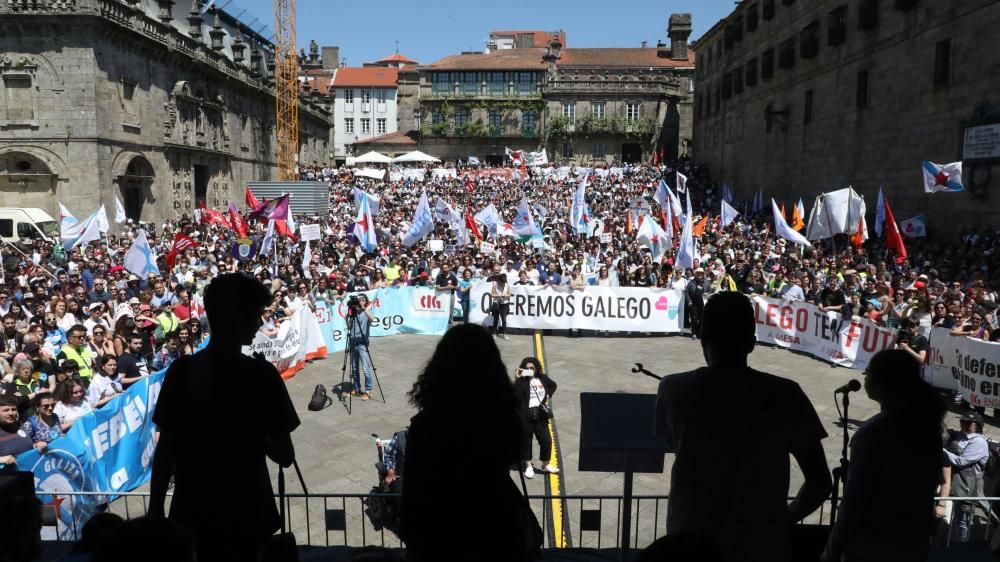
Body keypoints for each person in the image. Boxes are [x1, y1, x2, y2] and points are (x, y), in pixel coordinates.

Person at [654, 292, 832, 562]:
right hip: (762, 544)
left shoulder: (672, 389)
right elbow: (820, 482)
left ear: (703, 339)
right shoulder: (786, 394)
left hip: (690, 538)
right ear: (751, 342)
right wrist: (782, 521)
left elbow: (671, 444)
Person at [150, 273, 299, 562]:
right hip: (248, 513)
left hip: (191, 512)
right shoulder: (261, 375)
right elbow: (284, 455)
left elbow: (166, 449)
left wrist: (156, 511)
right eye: (256, 315)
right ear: (239, 318)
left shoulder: (181, 371)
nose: (259, 322)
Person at [400, 324, 531, 562]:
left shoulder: (426, 424)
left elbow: (414, 486)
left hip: (439, 531)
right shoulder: (502, 420)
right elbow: (513, 453)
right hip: (495, 526)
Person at [821, 349, 945, 561]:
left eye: (868, 373)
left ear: (882, 382)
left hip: (873, 547)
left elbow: (854, 503)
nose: (865, 378)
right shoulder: (928, 427)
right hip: (913, 544)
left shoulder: (875, 433)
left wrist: (830, 553)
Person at [944, 411, 989, 543]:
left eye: (968, 423)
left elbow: (961, 461)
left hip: (969, 484)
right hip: (960, 482)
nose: (963, 424)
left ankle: (962, 547)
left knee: (963, 519)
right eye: (962, 422)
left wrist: (942, 452)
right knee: (957, 517)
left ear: (977, 425)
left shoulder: (979, 442)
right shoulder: (964, 436)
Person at [513, 356, 558, 479]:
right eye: (526, 368)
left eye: (532, 368)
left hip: (540, 415)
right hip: (525, 416)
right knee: (526, 442)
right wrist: (517, 378)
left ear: (537, 368)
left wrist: (547, 394)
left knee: (546, 440)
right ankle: (528, 466)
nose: (529, 370)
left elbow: (553, 385)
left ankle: (546, 464)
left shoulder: (542, 378)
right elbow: (514, 395)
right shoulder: (522, 381)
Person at [346, 294, 376, 400]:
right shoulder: (353, 313)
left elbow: (372, 319)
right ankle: (357, 388)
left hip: (362, 343)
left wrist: (364, 308)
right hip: (353, 342)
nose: (360, 302)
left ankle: (368, 391)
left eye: (363, 300)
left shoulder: (366, 312)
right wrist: (349, 315)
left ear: (366, 302)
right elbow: (349, 327)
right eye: (359, 300)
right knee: (354, 368)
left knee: (366, 368)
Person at [0, 394, 34, 470]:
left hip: (31, 472)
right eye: (6, 410)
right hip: (8, 478)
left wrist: (37, 445)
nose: (11, 413)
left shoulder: (20, 425)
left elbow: (28, 446)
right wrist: (1, 459)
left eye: (13, 409)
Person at [684, 267, 711, 339]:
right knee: (694, 319)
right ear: (695, 274)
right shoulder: (691, 282)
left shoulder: (707, 282)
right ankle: (694, 333)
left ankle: (700, 333)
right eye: (698, 273)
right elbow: (686, 292)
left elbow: (710, 291)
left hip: (703, 304)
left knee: (702, 319)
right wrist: (689, 301)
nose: (699, 274)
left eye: (701, 273)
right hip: (694, 304)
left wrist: (708, 294)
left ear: (703, 274)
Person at [490, 273, 512, 339]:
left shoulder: (507, 285)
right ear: (498, 280)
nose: (502, 283)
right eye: (501, 281)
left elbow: (510, 294)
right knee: (495, 319)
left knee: (504, 319)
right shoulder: (495, 285)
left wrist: (505, 296)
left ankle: (504, 333)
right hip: (496, 303)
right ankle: (494, 333)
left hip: (504, 303)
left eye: (503, 281)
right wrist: (498, 296)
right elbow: (492, 294)